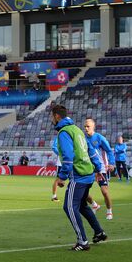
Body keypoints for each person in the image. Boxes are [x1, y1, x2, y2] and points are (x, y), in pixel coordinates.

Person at [51, 105, 107, 251]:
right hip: (88, 174)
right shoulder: (77, 130)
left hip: (78, 176)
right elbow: (91, 150)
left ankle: (82, 241)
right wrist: (98, 168)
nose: (52, 119)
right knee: (81, 206)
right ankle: (99, 232)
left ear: (57, 116)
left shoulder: (64, 132)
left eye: (52, 117)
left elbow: (68, 157)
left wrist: (62, 177)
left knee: (69, 207)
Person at [83, 118, 116, 220]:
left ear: (93, 126)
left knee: (104, 191)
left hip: (101, 168)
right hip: (88, 168)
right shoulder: (83, 139)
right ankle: (94, 205)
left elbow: (109, 151)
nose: (86, 128)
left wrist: (112, 163)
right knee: (83, 191)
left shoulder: (99, 138)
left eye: (88, 126)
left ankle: (109, 211)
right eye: (85, 126)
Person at [51, 135, 61, 202]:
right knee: (57, 180)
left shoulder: (71, 136)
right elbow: (54, 147)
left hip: (71, 162)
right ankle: (54, 196)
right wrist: (61, 153)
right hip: (61, 163)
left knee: (74, 179)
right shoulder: (59, 137)